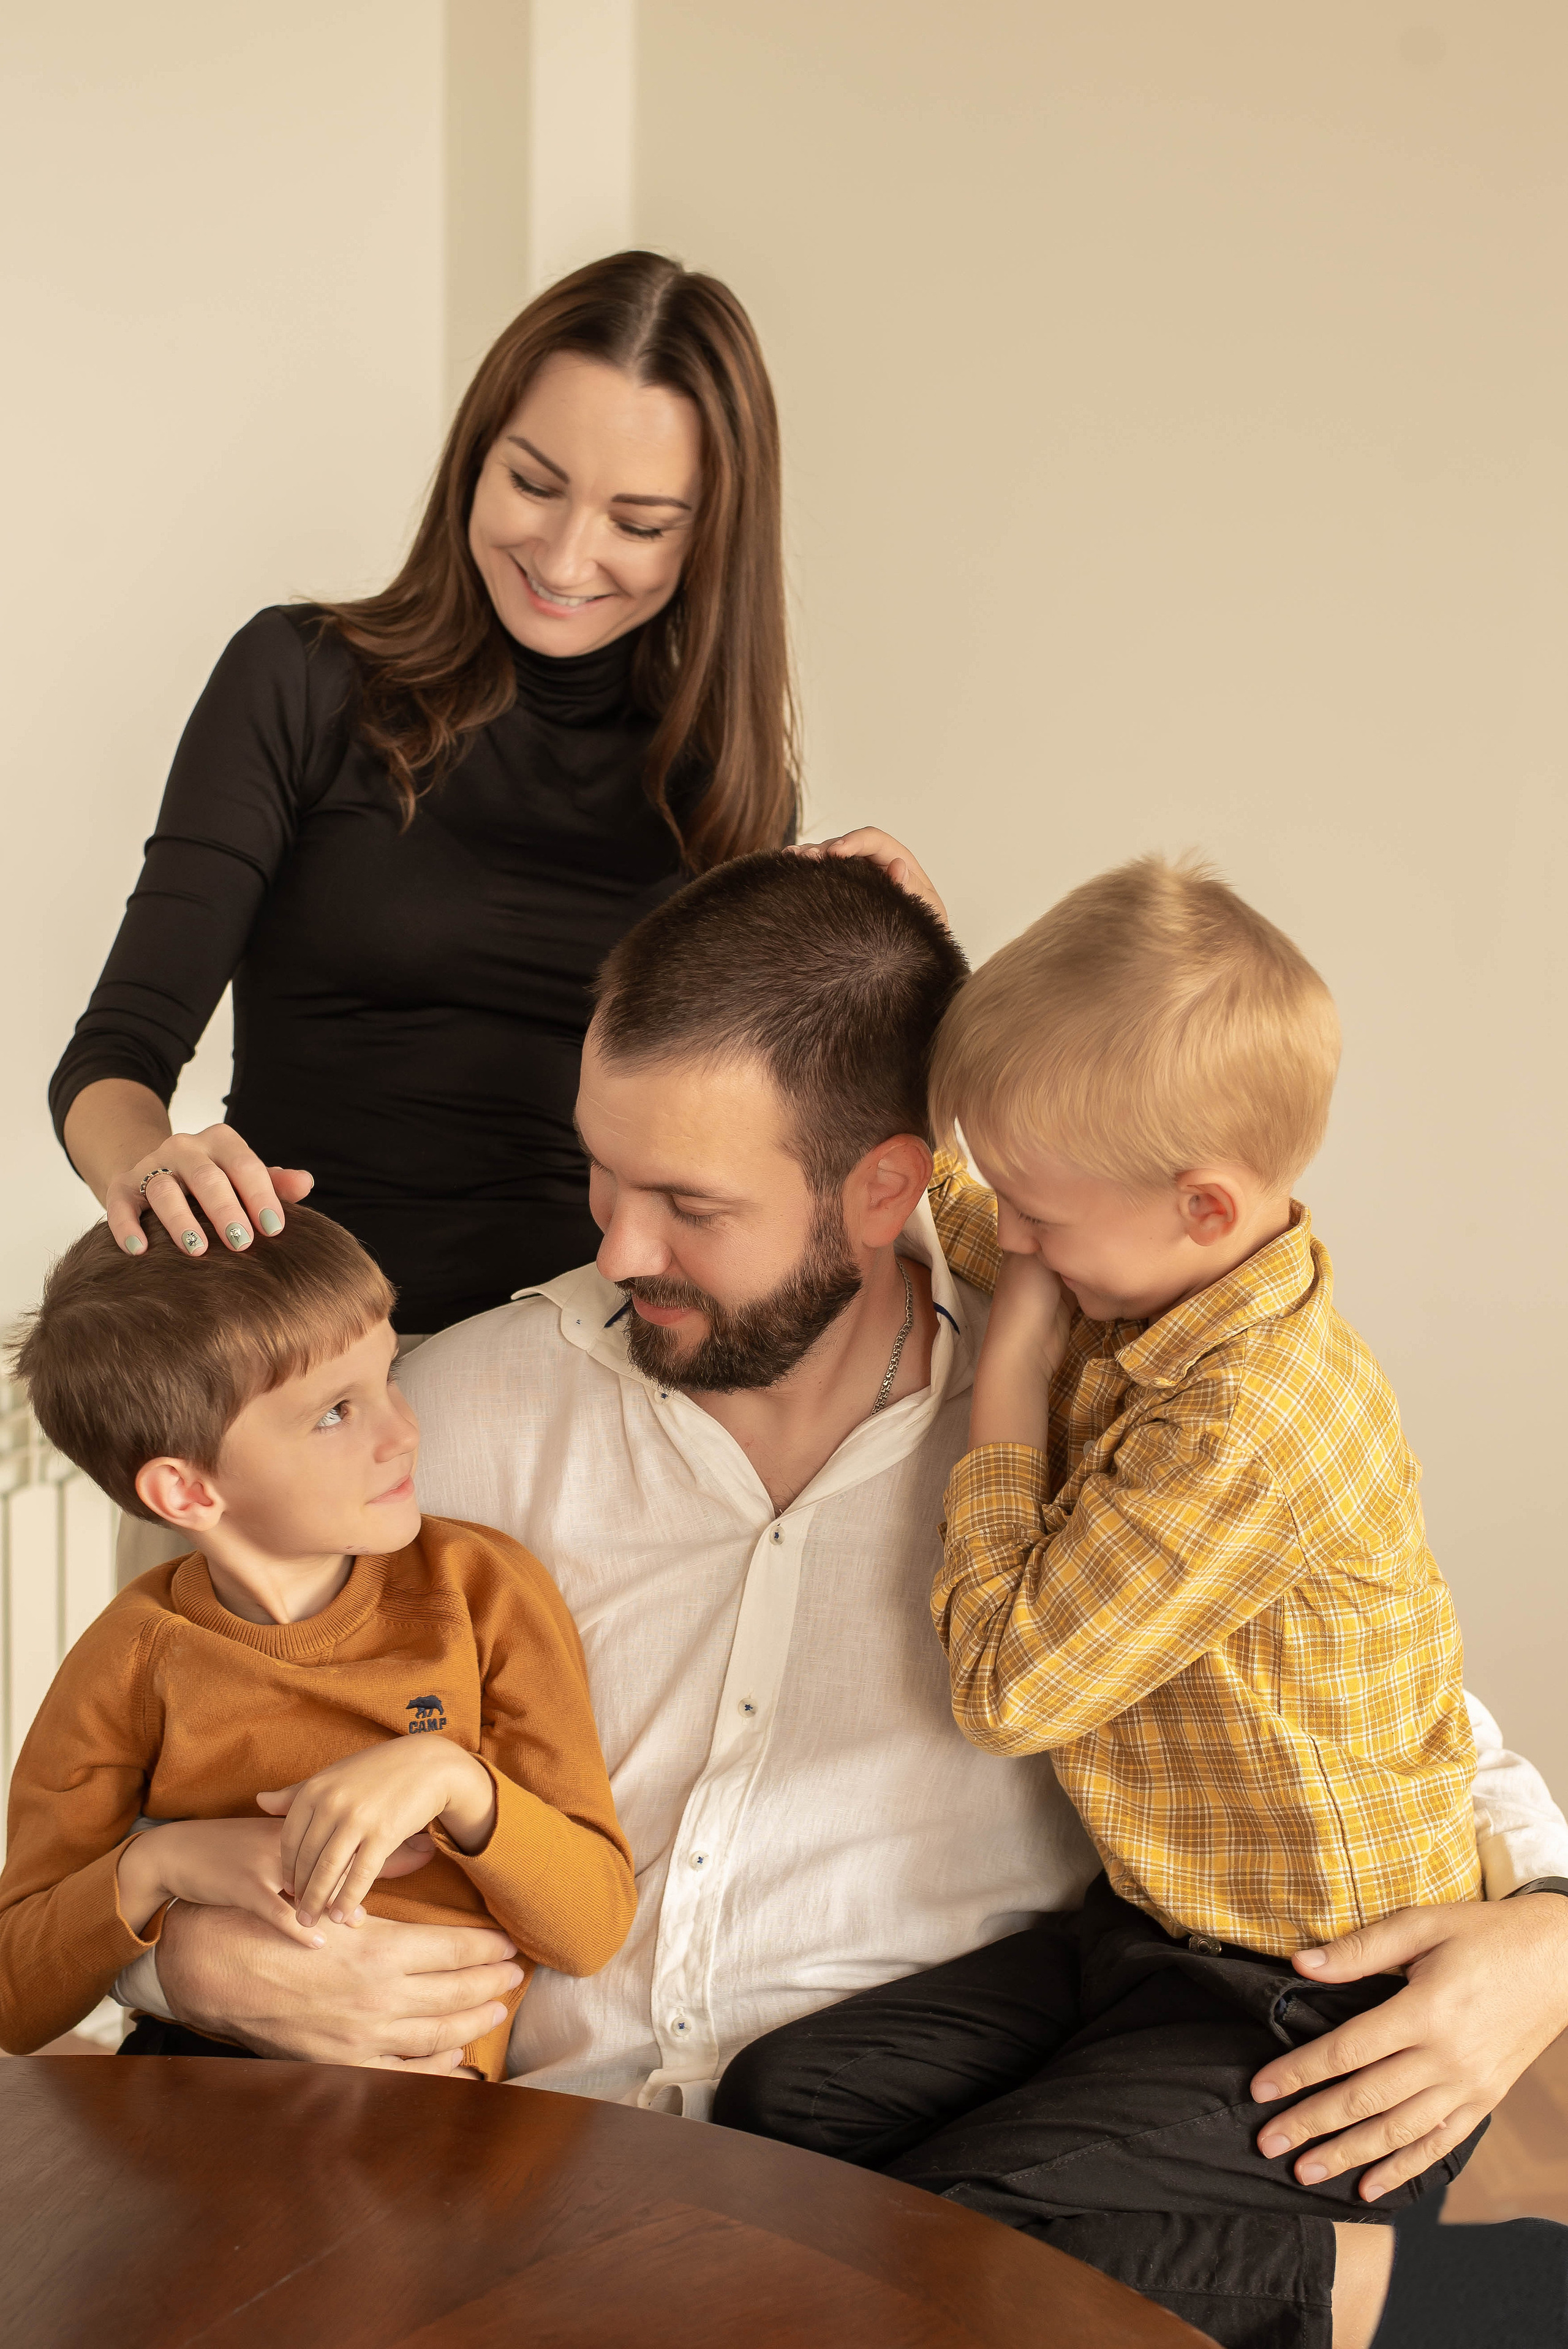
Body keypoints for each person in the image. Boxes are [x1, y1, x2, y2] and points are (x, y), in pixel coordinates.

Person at [107, 853, 1568, 2341]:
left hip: (896, 2176)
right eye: (602, 1175)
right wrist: (173, 1949)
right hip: (508, 2175)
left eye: (689, 1204)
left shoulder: (1105, 1398)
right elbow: (186, 1752)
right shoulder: (454, 1416)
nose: (617, 1249)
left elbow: (1371, 1706)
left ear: (882, 1188)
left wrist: (1550, 1936)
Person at [708, 855, 1491, 2349]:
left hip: (1303, 2001)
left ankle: (1442, 2298)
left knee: (944, 2243)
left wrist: (1003, 1386)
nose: (1017, 1251)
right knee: (778, 2105)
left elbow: (1007, 1687)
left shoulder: (1246, 1422)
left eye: (1043, 1225)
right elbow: (989, 1201)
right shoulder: (1143, 1256)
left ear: (1199, 1206)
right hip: (1145, 1931)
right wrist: (920, 972)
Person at [50, 247, 795, 1353]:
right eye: (534, 483)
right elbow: (114, 1052)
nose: (567, 552)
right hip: (289, 1366)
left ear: (707, 540)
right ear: (475, 461)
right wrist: (148, 1160)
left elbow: (740, 1155)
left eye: (638, 523)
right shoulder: (299, 677)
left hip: (577, 1376)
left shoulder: (726, 790)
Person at [0, 1205, 633, 2079]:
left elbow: (593, 1924)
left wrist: (454, 1780)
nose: (402, 1431)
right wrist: (160, 1863)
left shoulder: (483, 1591)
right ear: (186, 1492)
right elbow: (15, 1992)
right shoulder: (132, 1657)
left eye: (391, 1375)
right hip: (195, 2095)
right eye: (335, 1411)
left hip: (440, 2124)